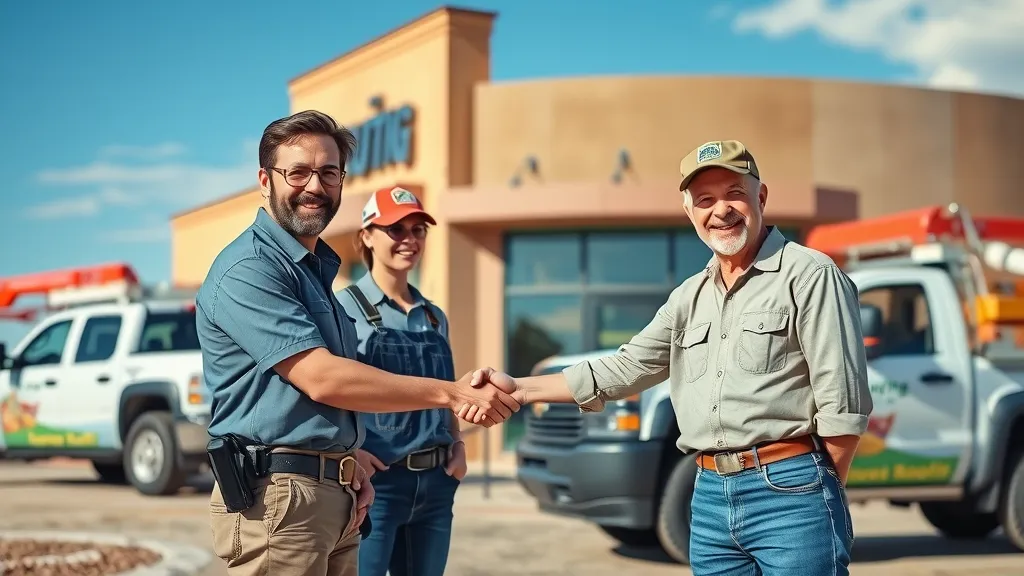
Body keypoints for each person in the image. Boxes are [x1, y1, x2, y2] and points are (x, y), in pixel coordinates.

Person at [463, 140, 873, 576]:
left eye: (735, 192)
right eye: (705, 200)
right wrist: (521, 389)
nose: (722, 210)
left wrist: (814, 490)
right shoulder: (688, 297)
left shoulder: (810, 275)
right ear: (690, 213)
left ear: (762, 197)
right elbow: (626, 366)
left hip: (791, 491)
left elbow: (842, 408)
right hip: (709, 496)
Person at [195, 110, 520, 576]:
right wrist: (453, 393)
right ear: (265, 180)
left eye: (329, 173)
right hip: (281, 499)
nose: (314, 186)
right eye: (298, 172)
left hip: (340, 493)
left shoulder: (317, 276)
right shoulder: (248, 269)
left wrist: (349, 461)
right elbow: (323, 379)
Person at [335, 186, 466, 576]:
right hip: (378, 486)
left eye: (418, 229)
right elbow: (326, 391)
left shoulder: (434, 316)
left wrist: (457, 446)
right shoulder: (343, 309)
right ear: (367, 237)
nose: (409, 239)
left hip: (437, 484)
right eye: (396, 229)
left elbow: (448, 391)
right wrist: (350, 452)